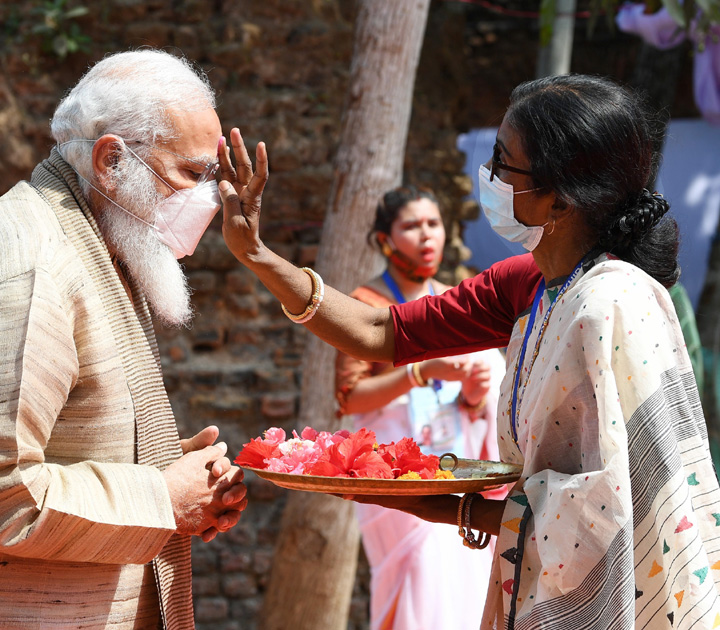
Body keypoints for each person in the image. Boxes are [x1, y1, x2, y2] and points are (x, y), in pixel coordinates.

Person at [219, 73, 720, 628]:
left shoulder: (610, 303)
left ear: (558, 196)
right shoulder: (527, 283)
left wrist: (454, 506)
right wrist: (259, 256)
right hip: (530, 578)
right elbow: (381, 332)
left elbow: (607, 509)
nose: (488, 179)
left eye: (504, 164)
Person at [0, 49, 250, 630]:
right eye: (194, 174)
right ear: (110, 161)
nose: (210, 198)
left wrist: (162, 465)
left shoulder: (91, 236)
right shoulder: (36, 270)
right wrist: (162, 498)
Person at [334, 185, 505, 629]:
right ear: (384, 240)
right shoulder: (364, 305)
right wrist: (419, 372)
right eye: (411, 226)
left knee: (464, 583)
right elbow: (350, 397)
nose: (426, 236)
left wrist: (473, 393)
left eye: (434, 224)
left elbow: (475, 406)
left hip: (453, 466)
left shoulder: (454, 300)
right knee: (420, 574)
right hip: (393, 474)